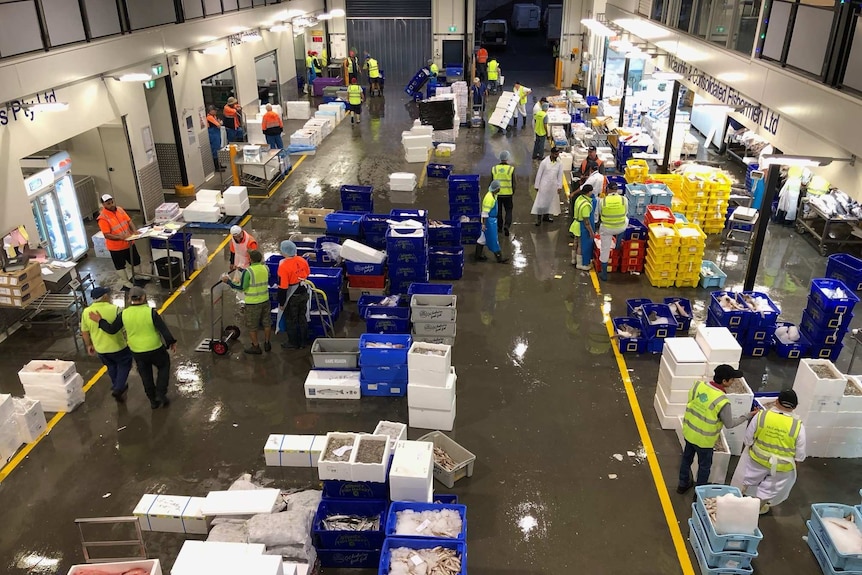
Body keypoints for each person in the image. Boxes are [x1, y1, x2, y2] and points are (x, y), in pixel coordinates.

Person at [89, 286, 177, 410]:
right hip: (155, 349)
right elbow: (163, 330)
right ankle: (161, 393)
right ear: (143, 297)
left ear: (130, 298)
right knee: (163, 366)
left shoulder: (124, 314)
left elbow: (112, 329)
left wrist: (100, 321)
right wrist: (171, 342)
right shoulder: (151, 312)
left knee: (146, 376)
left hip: (137, 352)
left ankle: (153, 401)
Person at [677, 365, 758, 494]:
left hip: (689, 432)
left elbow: (693, 404)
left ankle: (682, 484)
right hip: (704, 440)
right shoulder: (722, 400)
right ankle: (698, 494)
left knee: (687, 459)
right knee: (704, 467)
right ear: (725, 381)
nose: (733, 382)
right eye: (732, 379)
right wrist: (748, 415)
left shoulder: (698, 386)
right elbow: (729, 424)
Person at [738, 390, 806, 514]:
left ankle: (737, 503)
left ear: (776, 402)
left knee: (748, 481)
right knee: (767, 490)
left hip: (757, 460)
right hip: (782, 467)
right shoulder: (798, 426)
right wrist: (796, 465)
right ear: (795, 407)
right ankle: (754, 511)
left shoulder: (761, 416)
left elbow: (748, 439)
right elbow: (800, 454)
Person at [81, 286, 133, 402]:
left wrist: (89, 345)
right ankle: (119, 388)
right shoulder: (115, 309)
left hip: (101, 349)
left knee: (111, 366)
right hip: (118, 346)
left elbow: (84, 332)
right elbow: (124, 328)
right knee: (125, 365)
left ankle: (117, 385)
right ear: (104, 297)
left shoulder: (86, 312)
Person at [222, 249, 272, 355]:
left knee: (252, 326)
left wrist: (229, 282)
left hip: (253, 303)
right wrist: (241, 270)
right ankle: (267, 343)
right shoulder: (265, 268)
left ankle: (256, 346)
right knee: (266, 323)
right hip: (265, 300)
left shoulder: (248, 272)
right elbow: (258, 277)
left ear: (251, 260)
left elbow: (242, 287)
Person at [98, 194, 139, 291]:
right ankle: (125, 281)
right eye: (108, 203)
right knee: (120, 265)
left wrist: (134, 231)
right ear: (103, 204)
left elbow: (129, 221)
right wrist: (121, 237)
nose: (111, 205)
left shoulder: (120, 209)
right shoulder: (103, 218)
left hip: (129, 242)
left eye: (112, 202)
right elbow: (107, 235)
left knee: (136, 260)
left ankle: (138, 275)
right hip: (116, 247)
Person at [277, 240, 311, 350]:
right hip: (304, 293)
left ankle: (293, 342)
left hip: (292, 297)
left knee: (291, 320)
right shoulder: (302, 260)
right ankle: (303, 342)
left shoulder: (283, 266)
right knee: (302, 317)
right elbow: (307, 274)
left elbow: (283, 287)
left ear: (283, 252)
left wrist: (282, 303)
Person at [595, 182, 628, 281]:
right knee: (626, 219)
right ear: (617, 190)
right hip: (620, 227)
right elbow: (626, 212)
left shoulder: (602, 201)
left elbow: (600, 214)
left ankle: (604, 275)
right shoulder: (624, 199)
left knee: (605, 250)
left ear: (607, 189)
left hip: (607, 229)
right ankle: (618, 244)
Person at [476, 181, 509, 264]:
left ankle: (478, 255)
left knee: (482, 238)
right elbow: (484, 213)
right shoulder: (489, 198)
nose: (500, 189)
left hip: (491, 220)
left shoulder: (494, 195)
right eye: (499, 188)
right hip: (489, 222)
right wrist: (483, 224)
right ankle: (499, 258)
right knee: (493, 239)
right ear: (496, 189)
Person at [532, 147, 563, 226]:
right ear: (552, 153)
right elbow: (539, 174)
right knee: (541, 202)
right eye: (556, 154)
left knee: (549, 202)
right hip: (544, 185)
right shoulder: (544, 162)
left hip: (553, 185)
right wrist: (537, 185)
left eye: (558, 154)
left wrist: (559, 186)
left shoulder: (559, 163)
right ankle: (539, 219)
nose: (557, 156)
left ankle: (546, 216)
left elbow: (560, 175)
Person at [569, 184, 595, 270]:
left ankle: (573, 260)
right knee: (581, 245)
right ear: (589, 192)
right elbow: (586, 221)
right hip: (581, 226)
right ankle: (580, 264)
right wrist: (591, 232)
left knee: (575, 242)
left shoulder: (579, 198)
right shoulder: (586, 205)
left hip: (575, 223)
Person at [491, 151, 515, 236]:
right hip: (508, 194)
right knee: (509, 210)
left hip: (497, 194)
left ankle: (499, 227)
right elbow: (513, 182)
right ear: (507, 158)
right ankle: (507, 225)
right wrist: (512, 192)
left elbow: (492, 182)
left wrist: (492, 193)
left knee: (499, 211)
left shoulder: (494, 168)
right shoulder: (510, 169)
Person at [206, 105, 223, 171]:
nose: (216, 111)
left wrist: (219, 123)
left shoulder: (214, 116)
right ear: (210, 111)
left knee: (218, 149)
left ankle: (219, 165)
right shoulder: (209, 117)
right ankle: (217, 167)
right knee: (215, 150)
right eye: (214, 110)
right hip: (213, 134)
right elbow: (218, 124)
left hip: (216, 133)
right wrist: (220, 123)